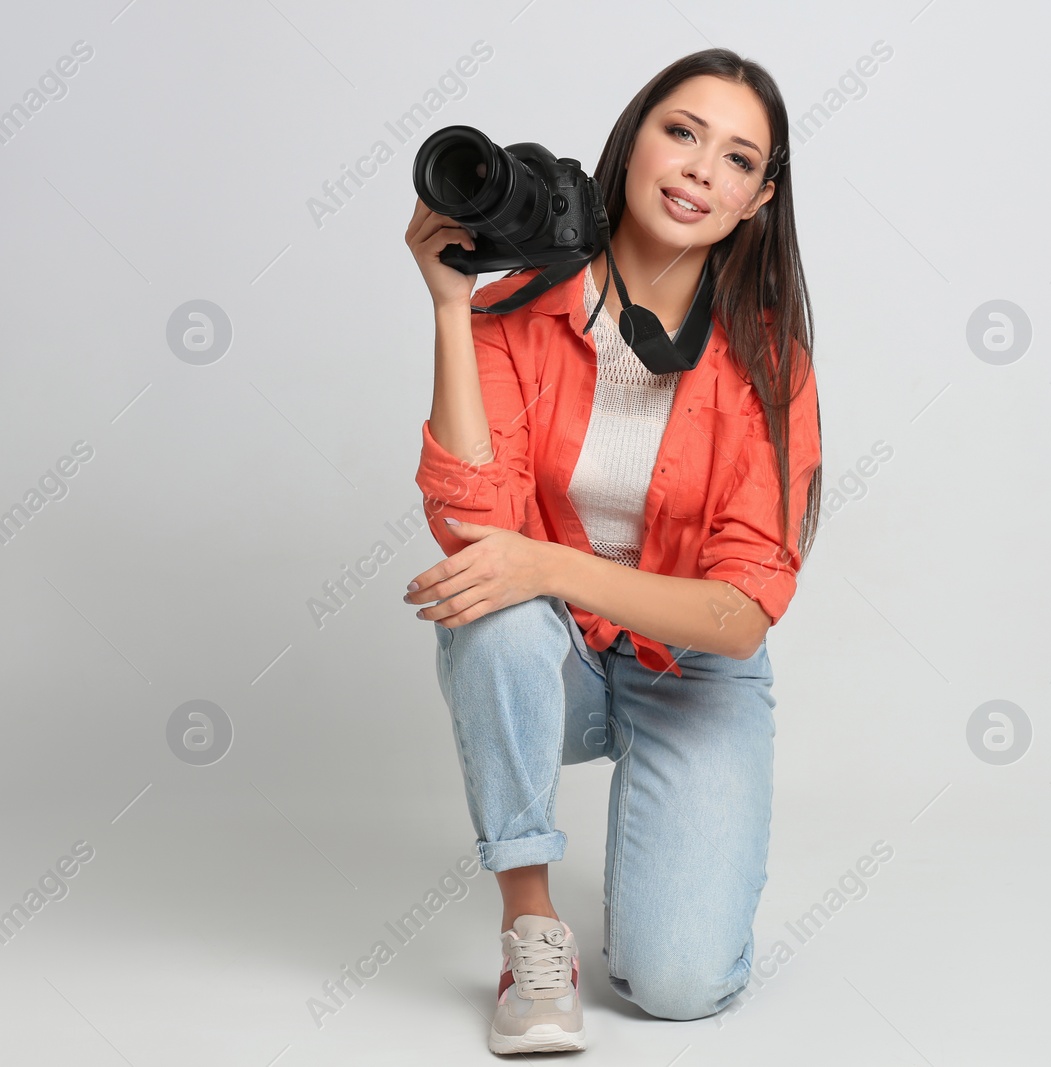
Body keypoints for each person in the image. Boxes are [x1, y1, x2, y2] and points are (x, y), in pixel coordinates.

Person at [402, 47, 823, 1054]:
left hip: (694, 667)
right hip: (559, 657)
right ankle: (530, 921)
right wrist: (452, 310)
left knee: (678, 986)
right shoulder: (517, 318)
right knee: (494, 603)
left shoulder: (769, 363)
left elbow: (741, 608)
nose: (696, 171)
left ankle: (667, 814)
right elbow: (472, 538)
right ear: (632, 143)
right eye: (680, 133)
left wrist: (545, 565)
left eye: (734, 159)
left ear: (757, 199)